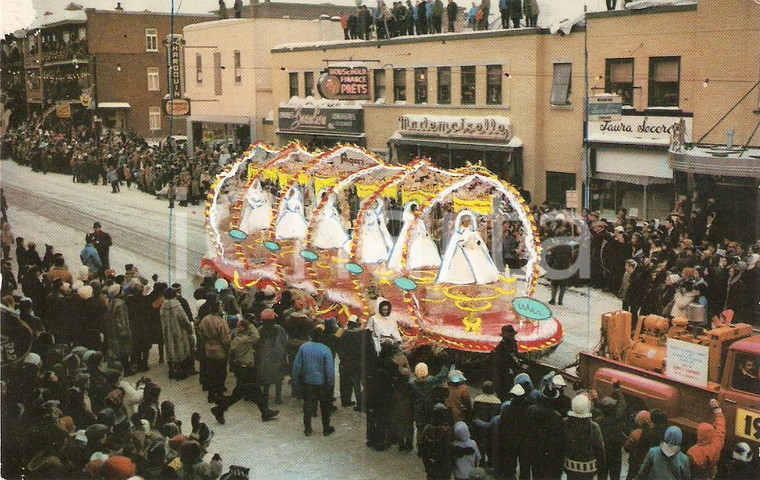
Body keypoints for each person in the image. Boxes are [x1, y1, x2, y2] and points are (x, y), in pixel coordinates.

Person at [210, 318, 279, 424]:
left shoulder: (237, 339)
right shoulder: (242, 340)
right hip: (244, 369)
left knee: (253, 391)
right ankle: (219, 409)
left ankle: (265, 411)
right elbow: (256, 336)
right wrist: (250, 324)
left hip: (244, 368)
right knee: (240, 393)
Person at [291, 325, 336, 436]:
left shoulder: (303, 347)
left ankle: (308, 428)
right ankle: (326, 428)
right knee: (325, 406)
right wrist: (330, 383)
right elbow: (329, 369)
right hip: (322, 383)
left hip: (307, 381)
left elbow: (297, 364)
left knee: (308, 405)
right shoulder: (326, 350)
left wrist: (295, 378)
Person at [437, 210, 500, 285]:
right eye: (465, 221)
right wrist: (462, 244)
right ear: (462, 221)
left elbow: (478, 241)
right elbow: (456, 242)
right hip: (461, 251)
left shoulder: (473, 230)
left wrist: (476, 243)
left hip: (474, 249)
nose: (467, 222)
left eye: (468, 221)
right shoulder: (458, 231)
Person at [387, 201, 441, 271]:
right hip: (410, 233)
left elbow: (421, 226)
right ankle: (412, 264)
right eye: (415, 209)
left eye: (416, 209)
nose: (416, 210)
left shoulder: (418, 218)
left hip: (419, 233)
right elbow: (410, 222)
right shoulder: (409, 216)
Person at [336, 314, 375, 411]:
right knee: (358, 384)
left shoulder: (344, 334)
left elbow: (339, 348)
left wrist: (342, 358)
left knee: (346, 383)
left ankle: (346, 401)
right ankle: (360, 403)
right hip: (359, 363)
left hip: (347, 363)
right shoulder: (363, 334)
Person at [563, 394, 605, 480]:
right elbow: (600, 449)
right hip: (588, 468)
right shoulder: (593, 426)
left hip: (569, 465)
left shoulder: (565, 422)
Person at [197, 303, 230, 404]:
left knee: (211, 372)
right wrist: (228, 348)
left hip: (208, 348)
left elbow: (201, 333)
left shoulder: (205, 320)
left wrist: (206, 343)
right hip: (220, 349)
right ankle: (220, 394)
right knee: (221, 373)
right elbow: (225, 338)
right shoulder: (221, 322)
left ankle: (210, 395)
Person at [686, 399, 725, 480]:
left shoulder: (692, 452)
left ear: (698, 435)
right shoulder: (717, 444)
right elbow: (721, 427)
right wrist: (717, 410)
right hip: (710, 475)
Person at [159, 287, 193, 380]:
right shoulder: (177, 306)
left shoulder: (163, 306)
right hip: (179, 332)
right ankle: (180, 373)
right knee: (180, 352)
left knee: (170, 351)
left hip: (167, 332)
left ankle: (171, 371)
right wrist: (189, 328)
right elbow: (184, 320)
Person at [257, 308, 289, 404]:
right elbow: (284, 342)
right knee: (278, 379)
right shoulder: (279, 329)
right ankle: (278, 398)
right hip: (277, 358)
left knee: (266, 379)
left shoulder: (260, 331)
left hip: (265, 359)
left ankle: (265, 396)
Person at [358, 198, 394, 264]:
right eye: (370, 203)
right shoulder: (363, 212)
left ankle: (378, 258)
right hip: (367, 230)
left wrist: (376, 195)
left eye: (373, 203)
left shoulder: (375, 211)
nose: (371, 204)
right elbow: (361, 205)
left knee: (378, 243)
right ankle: (369, 259)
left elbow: (381, 203)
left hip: (375, 230)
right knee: (368, 244)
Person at [491, 324, 520, 399]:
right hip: (502, 372)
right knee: (503, 388)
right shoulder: (500, 348)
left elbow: (516, 354)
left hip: (510, 370)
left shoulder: (512, 343)